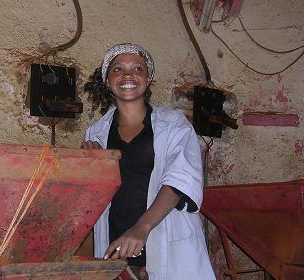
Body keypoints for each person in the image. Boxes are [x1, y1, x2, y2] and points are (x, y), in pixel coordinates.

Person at [81, 43, 215, 280]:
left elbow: (179, 181)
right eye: (118, 69)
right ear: (107, 80)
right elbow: (92, 196)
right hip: (117, 245)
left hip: (164, 237)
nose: (128, 75)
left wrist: (141, 229)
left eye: (137, 69)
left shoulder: (174, 125)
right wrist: (89, 167)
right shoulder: (95, 134)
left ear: (149, 78)